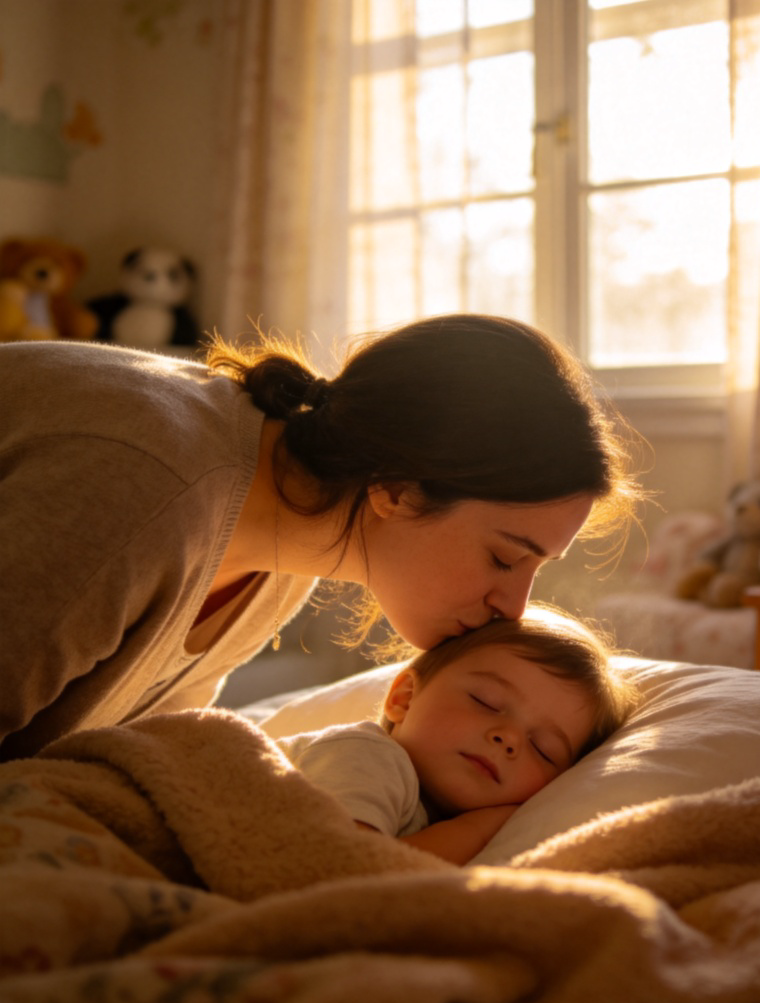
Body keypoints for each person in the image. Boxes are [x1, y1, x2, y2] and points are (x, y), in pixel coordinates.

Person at [0, 314, 643, 761]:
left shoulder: (287, 562)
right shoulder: (149, 486)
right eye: (505, 557)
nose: (514, 607)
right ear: (394, 487)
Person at [277, 606, 634, 865]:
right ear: (405, 699)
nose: (508, 738)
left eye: (543, 750)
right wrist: (477, 829)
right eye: (486, 702)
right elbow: (346, 874)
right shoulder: (364, 755)